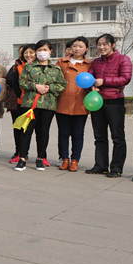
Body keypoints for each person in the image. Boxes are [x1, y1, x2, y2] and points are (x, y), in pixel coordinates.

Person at [14, 40, 66, 171]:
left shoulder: (56, 69)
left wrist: (49, 87)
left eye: (45, 50)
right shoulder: (29, 67)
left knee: (43, 132)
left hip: (48, 105)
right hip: (30, 104)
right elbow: (22, 83)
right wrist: (35, 86)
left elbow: (62, 85)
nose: (42, 52)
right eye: (39, 50)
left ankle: (40, 158)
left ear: (50, 51)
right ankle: (22, 158)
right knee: (26, 131)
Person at [86, 34, 133, 178]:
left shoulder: (123, 59)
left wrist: (104, 81)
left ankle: (116, 168)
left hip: (114, 102)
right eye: (99, 44)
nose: (101, 47)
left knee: (117, 137)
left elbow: (125, 78)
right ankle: (100, 166)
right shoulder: (96, 62)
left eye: (105, 44)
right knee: (99, 136)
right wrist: (92, 86)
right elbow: (90, 77)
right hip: (97, 102)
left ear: (112, 45)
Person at [55, 37, 92, 172]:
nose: (77, 49)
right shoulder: (61, 62)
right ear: (71, 48)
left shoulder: (90, 65)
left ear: (86, 49)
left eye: (81, 46)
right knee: (63, 133)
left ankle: (75, 160)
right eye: (75, 46)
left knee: (78, 134)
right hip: (63, 104)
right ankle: (64, 159)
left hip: (81, 105)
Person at [5, 44, 36, 164]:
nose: (26, 54)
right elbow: (10, 80)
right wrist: (19, 94)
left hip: (33, 102)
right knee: (18, 128)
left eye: (29, 52)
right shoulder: (15, 67)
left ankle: (39, 155)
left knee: (31, 129)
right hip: (16, 102)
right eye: (23, 52)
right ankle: (19, 152)